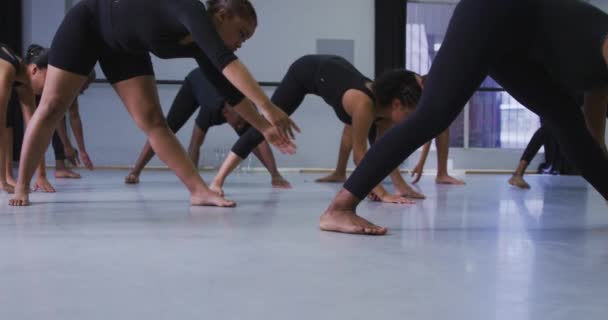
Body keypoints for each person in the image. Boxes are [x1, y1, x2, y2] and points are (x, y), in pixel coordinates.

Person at [321, 0, 608, 235]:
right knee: (433, 115)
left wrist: (597, 154)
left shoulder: (598, 74)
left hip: (517, 44)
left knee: (566, 120)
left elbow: (592, 135)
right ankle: (340, 209)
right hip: (492, 12)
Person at [9, 0, 300, 207]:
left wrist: (264, 127)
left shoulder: (201, 44)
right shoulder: (190, 10)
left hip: (125, 48)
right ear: (222, 14)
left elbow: (229, 90)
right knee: (51, 106)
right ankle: (22, 184)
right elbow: (228, 64)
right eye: (241, 34)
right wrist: (267, 106)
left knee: (154, 121)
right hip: (89, 23)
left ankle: (198, 191)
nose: (241, 42)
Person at [210, 55, 425, 202]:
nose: (410, 119)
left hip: (336, 71)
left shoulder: (384, 114)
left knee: (376, 142)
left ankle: (349, 175)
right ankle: (217, 180)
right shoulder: (364, 104)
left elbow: (382, 152)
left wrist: (400, 186)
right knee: (263, 127)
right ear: (396, 104)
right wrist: (381, 192)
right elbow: (360, 156)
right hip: (307, 71)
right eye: (410, 113)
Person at [124, 68, 291, 189]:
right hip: (195, 82)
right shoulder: (210, 110)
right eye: (239, 122)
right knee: (166, 127)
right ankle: (136, 171)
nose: (241, 126)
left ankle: (274, 173)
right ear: (226, 113)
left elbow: (258, 141)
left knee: (252, 136)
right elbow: (195, 145)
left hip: (217, 85)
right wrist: (195, 181)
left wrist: (275, 175)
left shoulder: (244, 111)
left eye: (243, 122)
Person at [1, 43, 55, 194]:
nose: (50, 86)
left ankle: (7, 176)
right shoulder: (6, 70)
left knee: (7, 123)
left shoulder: (24, 81)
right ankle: (4, 178)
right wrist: (2, 183)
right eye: (48, 79)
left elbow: (35, 129)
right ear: (34, 69)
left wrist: (41, 175)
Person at [51, 70, 97, 179]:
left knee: (59, 116)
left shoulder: (72, 86)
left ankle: (60, 167)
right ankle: (41, 174)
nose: (87, 88)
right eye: (88, 83)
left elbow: (74, 115)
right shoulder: (63, 83)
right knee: (49, 121)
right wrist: (66, 146)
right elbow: (56, 117)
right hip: (33, 90)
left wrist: (82, 151)